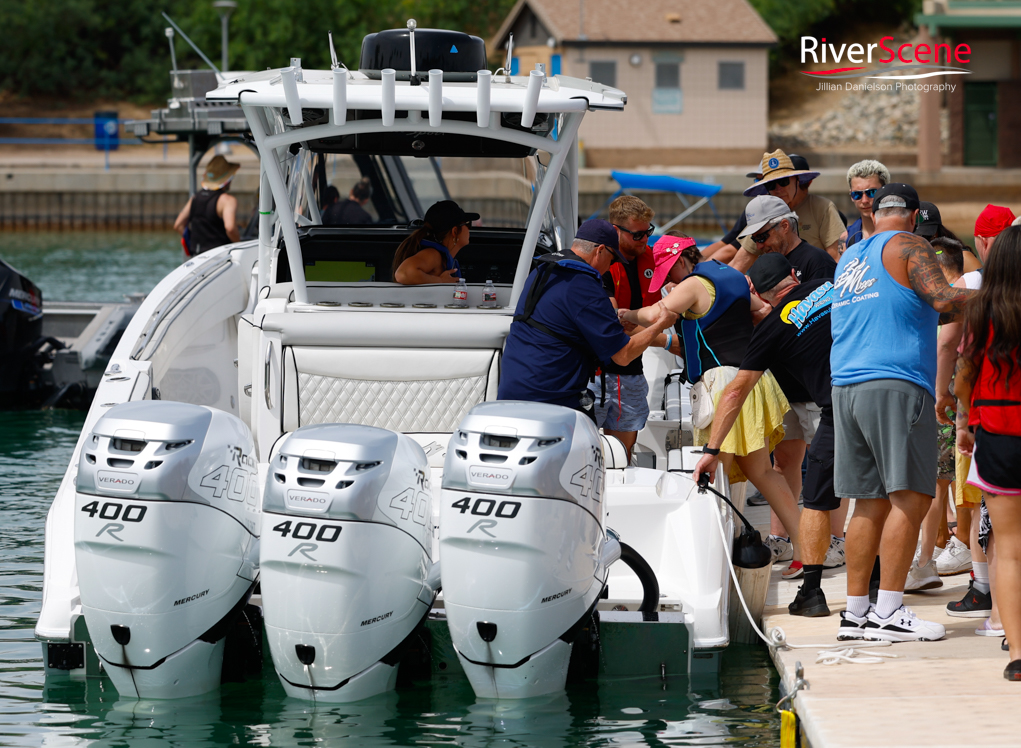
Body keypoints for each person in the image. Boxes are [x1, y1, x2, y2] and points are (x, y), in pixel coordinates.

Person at [830, 183, 973, 643]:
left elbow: (916, 309)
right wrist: (999, 293)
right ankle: (889, 609)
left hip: (847, 386)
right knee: (911, 497)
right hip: (895, 383)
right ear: (912, 216)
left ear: (876, 212)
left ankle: (856, 613)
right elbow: (944, 300)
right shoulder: (912, 245)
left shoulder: (851, 257)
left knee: (867, 504)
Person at [620, 237, 804, 578]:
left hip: (722, 386)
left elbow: (656, 314)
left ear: (678, 260)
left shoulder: (693, 284)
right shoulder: (732, 277)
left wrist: (625, 314)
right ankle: (808, 555)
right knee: (762, 473)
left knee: (715, 476)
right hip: (753, 377)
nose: (669, 283)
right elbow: (763, 313)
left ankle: (714, 567)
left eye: (667, 273)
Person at [695, 253, 838, 615]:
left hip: (836, 410)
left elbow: (735, 391)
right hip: (880, 387)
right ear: (794, 273)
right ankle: (877, 590)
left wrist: (712, 448)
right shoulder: (829, 285)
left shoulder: (772, 328)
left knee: (817, 502)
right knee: (877, 495)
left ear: (758, 291)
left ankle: (812, 592)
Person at [736, 194, 842, 566]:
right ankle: (784, 536)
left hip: (817, 389)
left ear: (785, 224)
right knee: (785, 463)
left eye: (763, 236)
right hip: (784, 387)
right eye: (754, 239)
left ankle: (836, 540)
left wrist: (765, 312)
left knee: (828, 466)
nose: (759, 244)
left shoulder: (816, 262)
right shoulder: (762, 262)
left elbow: (823, 320)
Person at [498, 220, 676, 414]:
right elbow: (623, 355)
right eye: (612, 259)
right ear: (600, 250)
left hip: (512, 390)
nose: (610, 267)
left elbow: (559, 320)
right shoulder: (584, 284)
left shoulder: (541, 270)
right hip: (551, 399)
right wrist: (661, 324)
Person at [933, 204, 1017, 613]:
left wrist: (947, 400)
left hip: (992, 424)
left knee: (993, 525)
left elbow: (952, 348)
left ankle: (991, 603)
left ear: (984, 243)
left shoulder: (976, 291)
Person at [953, 225, 1021, 680]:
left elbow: (965, 374)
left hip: (997, 433)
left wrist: (964, 422)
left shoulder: (981, 311)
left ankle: (1018, 653)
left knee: (1010, 550)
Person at [590, 196, 672, 459]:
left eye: (649, 232)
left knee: (623, 455)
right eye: (637, 235)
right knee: (588, 452)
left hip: (632, 371)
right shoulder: (602, 264)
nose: (645, 239)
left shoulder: (652, 258)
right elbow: (614, 324)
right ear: (617, 231)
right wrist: (669, 342)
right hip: (596, 374)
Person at [731, 150, 844, 270]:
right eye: (771, 185)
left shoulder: (823, 208)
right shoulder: (762, 216)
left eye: (783, 182)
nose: (778, 189)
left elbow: (837, 259)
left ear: (797, 180)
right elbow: (738, 264)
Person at [393, 200, 478, 284]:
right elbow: (403, 274)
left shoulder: (440, 257)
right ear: (455, 231)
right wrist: (441, 281)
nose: (469, 229)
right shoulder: (433, 255)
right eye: (467, 224)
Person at [173, 155, 241, 255]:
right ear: (227, 179)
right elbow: (230, 228)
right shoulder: (227, 200)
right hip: (220, 256)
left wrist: (192, 244)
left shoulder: (195, 198)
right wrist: (239, 246)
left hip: (198, 256)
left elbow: (178, 225)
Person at [844, 160, 890, 249]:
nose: (864, 201)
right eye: (857, 194)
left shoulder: (903, 232)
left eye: (872, 192)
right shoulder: (847, 238)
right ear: (851, 196)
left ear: (886, 191)